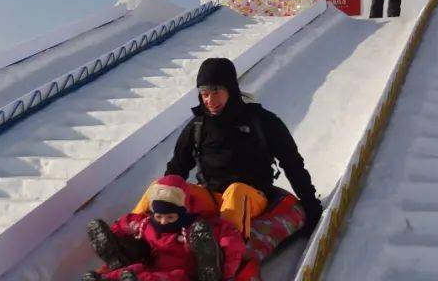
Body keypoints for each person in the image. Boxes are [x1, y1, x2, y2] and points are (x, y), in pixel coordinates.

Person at [135, 57, 322, 239]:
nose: (209, 100)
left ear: (231, 90)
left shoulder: (261, 121)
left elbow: (292, 164)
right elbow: (177, 169)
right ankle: (131, 232)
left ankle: (223, 252)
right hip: (211, 196)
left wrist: (311, 205)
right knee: (160, 185)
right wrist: (166, 195)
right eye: (205, 93)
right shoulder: (198, 126)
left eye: (216, 92)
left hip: (251, 197)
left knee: (235, 191)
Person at [83, 175, 246, 281]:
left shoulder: (196, 225)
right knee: (135, 270)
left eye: (170, 218)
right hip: (154, 264)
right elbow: (126, 223)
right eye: (159, 216)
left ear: (183, 212)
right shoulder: (146, 223)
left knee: (169, 280)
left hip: (187, 272)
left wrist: (227, 270)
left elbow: (230, 237)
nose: (163, 221)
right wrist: (114, 236)